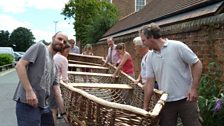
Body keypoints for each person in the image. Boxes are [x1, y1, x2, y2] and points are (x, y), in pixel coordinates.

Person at [140, 23, 202, 126]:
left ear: (151, 37)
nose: (143, 44)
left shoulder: (177, 46)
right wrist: (145, 107)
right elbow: (149, 82)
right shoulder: (150, 57)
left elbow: (197, 63)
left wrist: (194, 88)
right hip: (165, 102)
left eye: (143, 40)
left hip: (186, 99)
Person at [13, 31, 69, 126]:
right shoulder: (40, 47)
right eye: (59, 39)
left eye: (64, 42)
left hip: (43, 106)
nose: (62, 42)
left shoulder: (54, 67)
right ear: (53, 38)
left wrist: (64, 113)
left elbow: (57, 92)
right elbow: (20, 65)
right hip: (27, 103)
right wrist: (29, 91)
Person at [49, 42, 71, 125]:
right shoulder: (63, 59)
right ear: (64, 50)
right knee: (54, 109)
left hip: (48, 83)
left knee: (51, 106)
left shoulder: (53, 55)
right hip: (55, 84)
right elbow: (65, 78)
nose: (68, 53)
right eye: (68, 51)